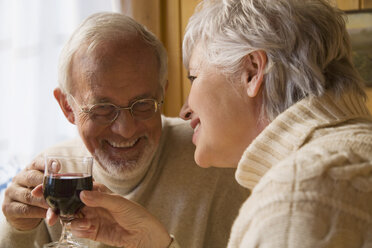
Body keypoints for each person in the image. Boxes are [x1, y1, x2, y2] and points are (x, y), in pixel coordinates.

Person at [58, 0, 372, 247]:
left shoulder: (298, 194)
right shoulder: (351, 152)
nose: (183, 110)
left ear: (252, 72)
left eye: (194, 77)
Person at [0, 12, 250, 248]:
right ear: (68, 107)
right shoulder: (49, 175)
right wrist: (15, 230)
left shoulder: (217, 160)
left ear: (162, 92)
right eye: (103, 109)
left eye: (142, 105)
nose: (126, 130)